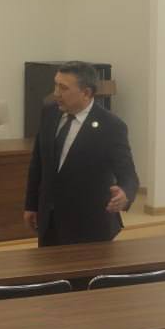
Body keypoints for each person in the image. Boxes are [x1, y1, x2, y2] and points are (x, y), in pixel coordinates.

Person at [24, 61, 138, 246]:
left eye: (63, 88)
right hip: (50, 221)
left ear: (86, 92)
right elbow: (38, 163)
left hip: (90, 225)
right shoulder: (49, 112)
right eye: (55, 85)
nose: (56, 93)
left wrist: (125, 194)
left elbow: (129, 175)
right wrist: (31, 205)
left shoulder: (111, 126)